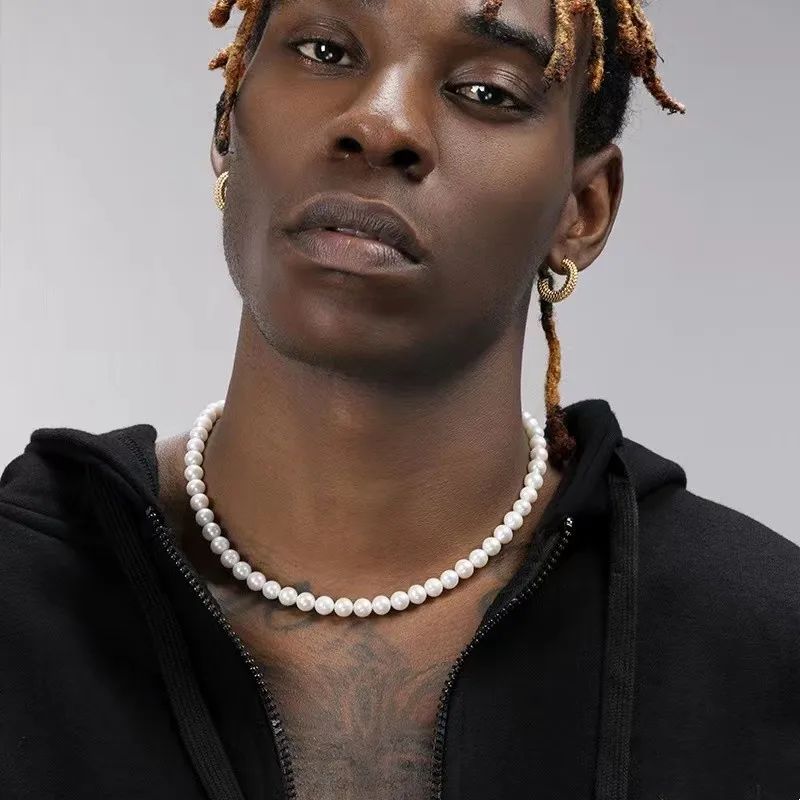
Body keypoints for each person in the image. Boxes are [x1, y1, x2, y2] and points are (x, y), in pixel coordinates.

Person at [1, 0, 798, 797]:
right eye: (325, 49)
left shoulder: (758, 643)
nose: (380, 124)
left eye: (486, 92)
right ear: (227, 119)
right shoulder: (23, 588)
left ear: (581, 209)